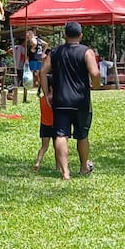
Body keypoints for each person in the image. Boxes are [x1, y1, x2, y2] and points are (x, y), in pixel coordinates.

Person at [39, 22, 100, 180]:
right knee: (82, 135)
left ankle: (65, 172)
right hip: (81, 100)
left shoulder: (56, 52)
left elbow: (43, 71)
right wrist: (96, 86)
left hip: (60, 100)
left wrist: (47, 94)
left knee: (61, 135)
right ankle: (83, 167)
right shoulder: (87, 52)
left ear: (65, 35)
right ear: (81, 35)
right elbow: (95, 73)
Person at [33, 77, 55, 172]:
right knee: (57, 147)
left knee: (44, 147)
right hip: (55, 125)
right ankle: (59, 167)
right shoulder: (55, 99)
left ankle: (38, 162)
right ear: (51, 87)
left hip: (44, 125)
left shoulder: (42, 99)